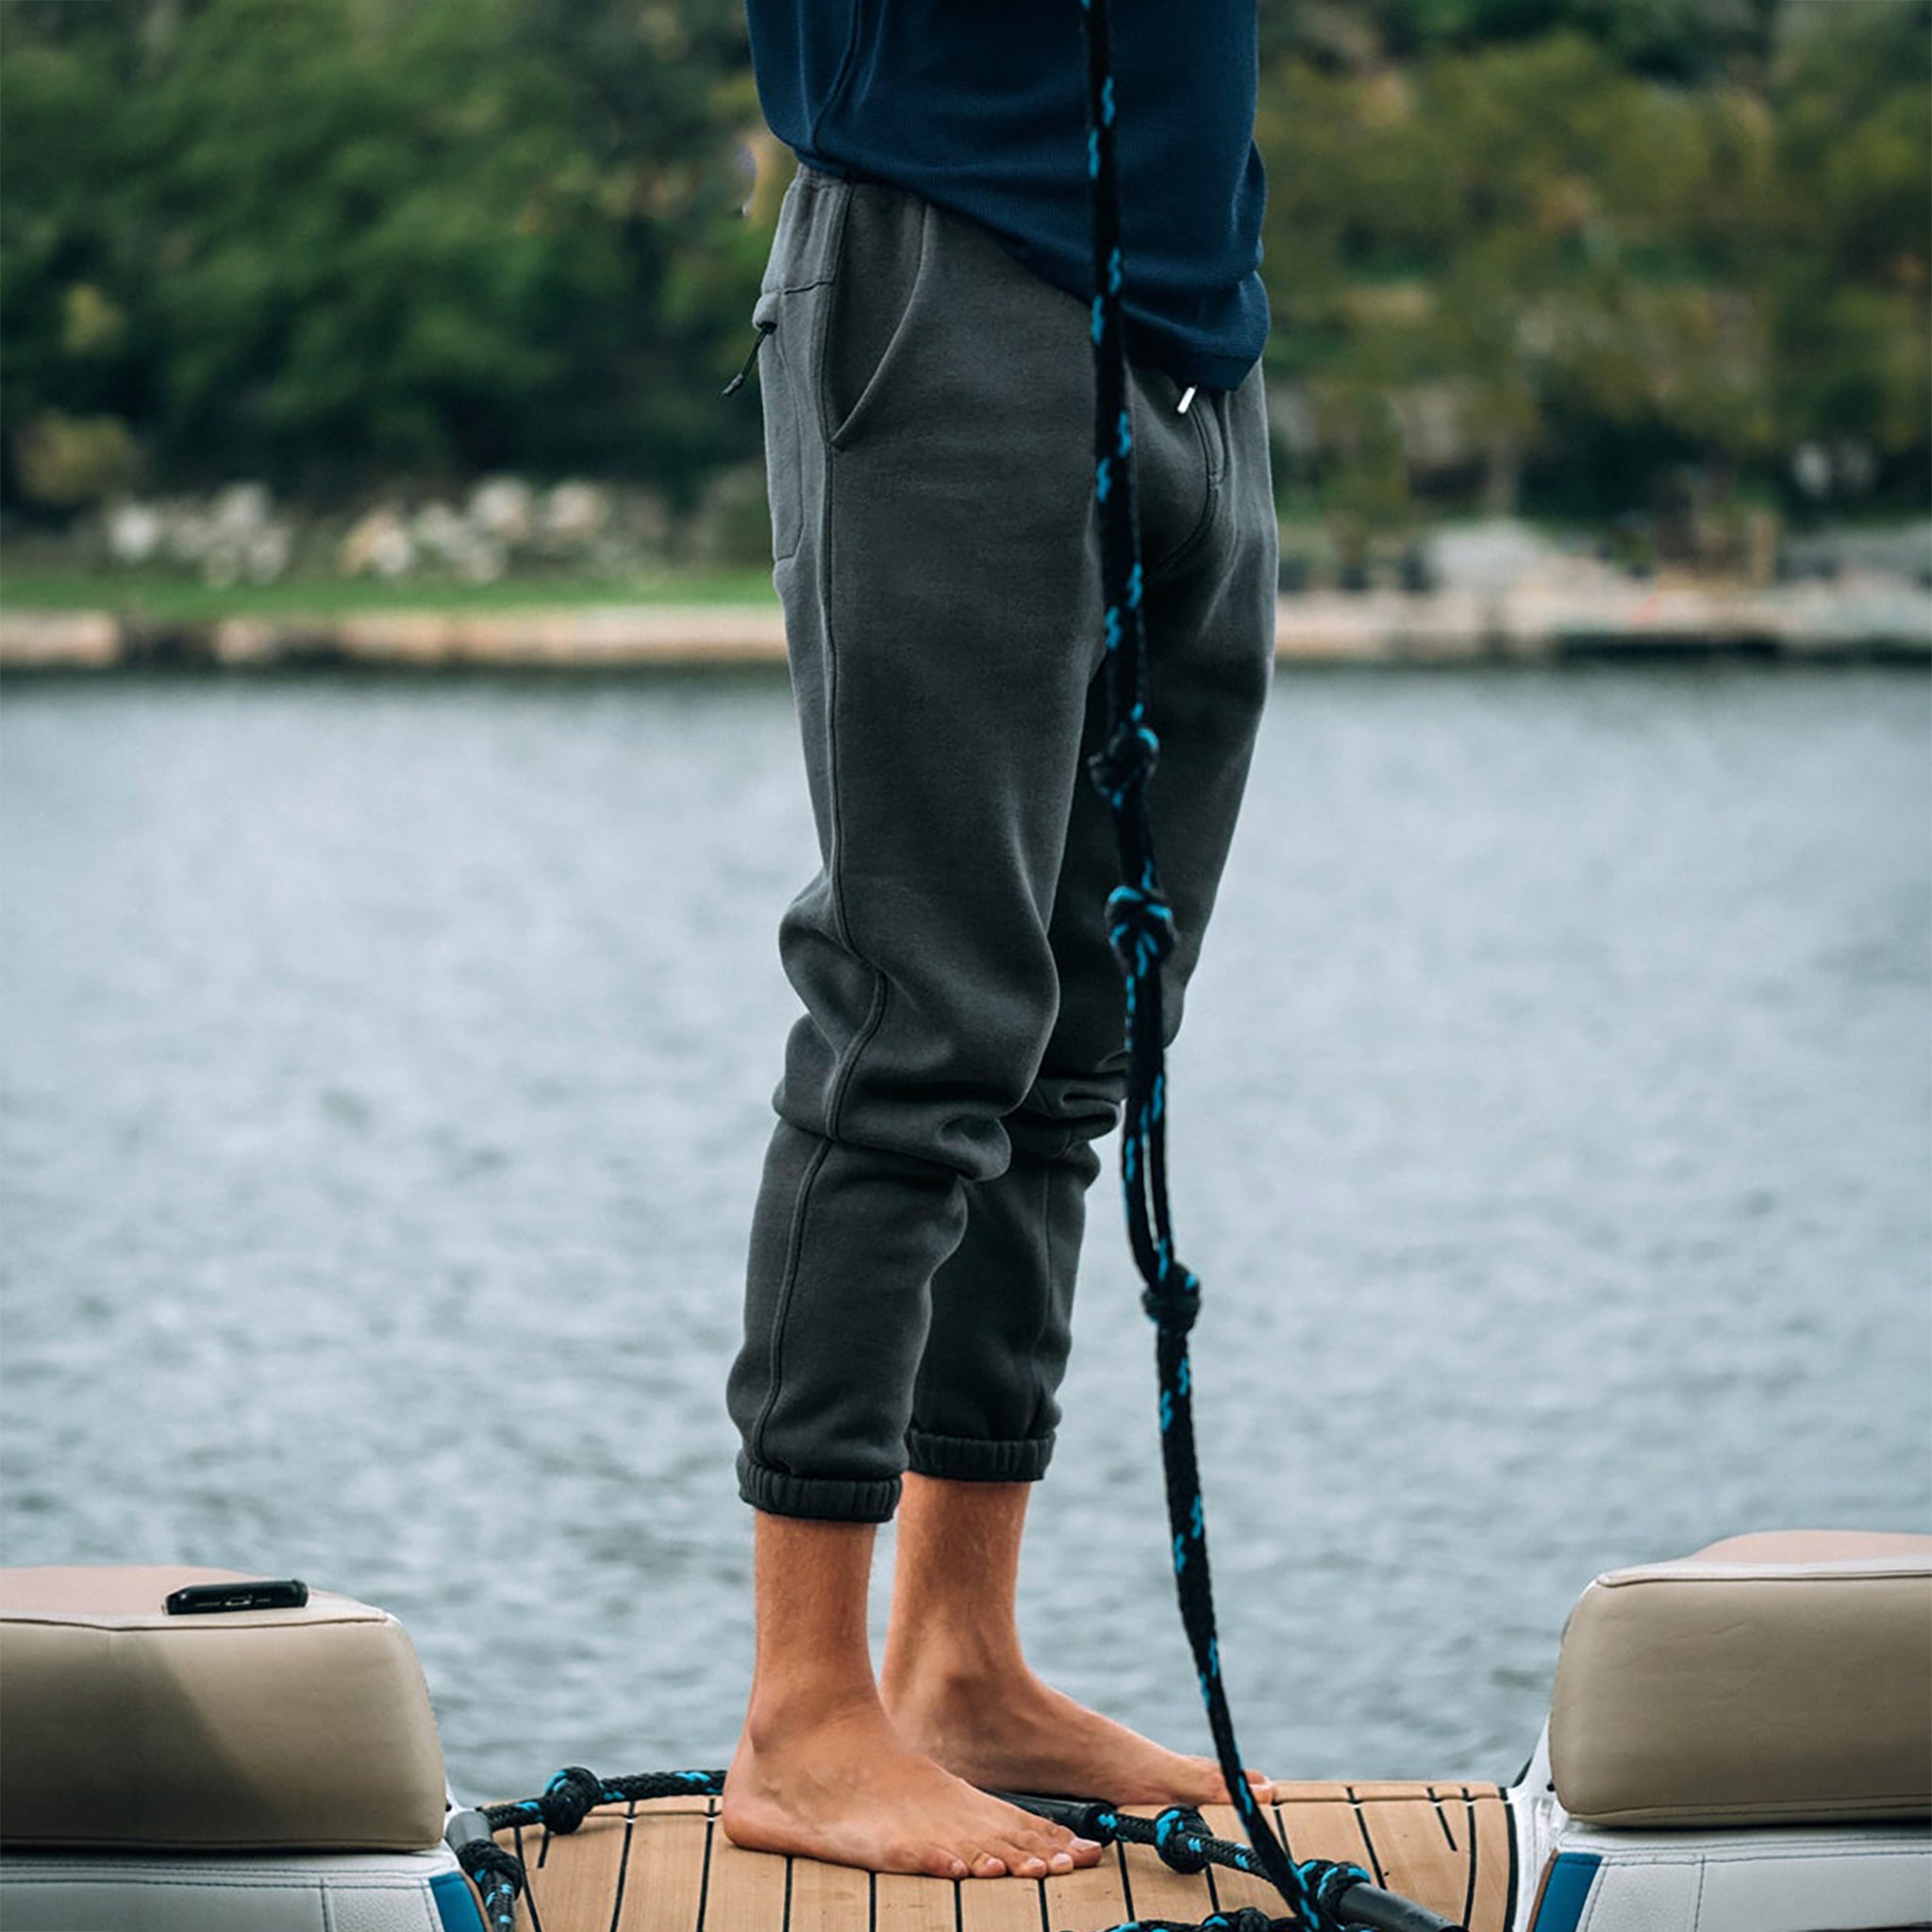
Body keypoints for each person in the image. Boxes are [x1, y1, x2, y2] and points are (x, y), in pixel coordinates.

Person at [721, 0, 1280, 1884]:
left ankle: (958, 1664)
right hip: (947, 270)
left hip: (1199, 333)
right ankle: (803, 1717)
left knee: (1074, 1039)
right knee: (919, 1013)